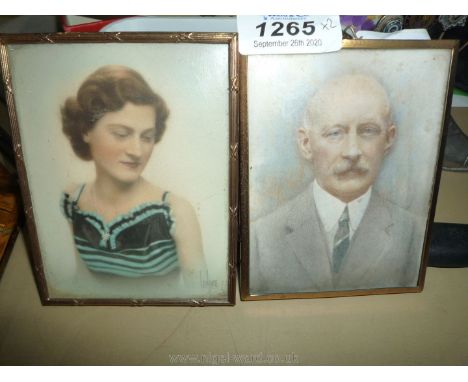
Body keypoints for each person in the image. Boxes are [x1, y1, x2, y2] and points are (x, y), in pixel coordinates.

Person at [250, 74, 423, 294]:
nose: (352, 151)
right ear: (306, 143)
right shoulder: (260, 238)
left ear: (389, 139)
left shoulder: (413, 234)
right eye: (335, 133)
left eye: (368, 131)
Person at [60, 65, 205, 285]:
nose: (137, 151)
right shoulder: (72, 201)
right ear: (85, 130)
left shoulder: (174, 211)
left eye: (147, 137)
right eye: (121, 134)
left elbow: (201, 291)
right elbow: (82, 281)